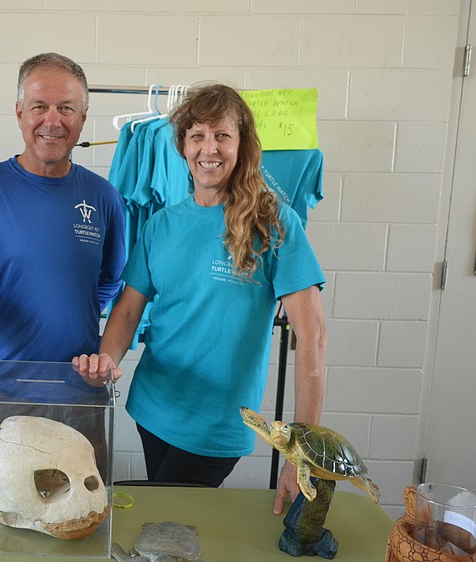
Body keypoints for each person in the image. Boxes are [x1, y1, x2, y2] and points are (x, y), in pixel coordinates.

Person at [73, 84, 327, 516]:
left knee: (170, 520)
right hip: (153, 407)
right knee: (168, 525)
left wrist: (303, 451)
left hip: (217, 424)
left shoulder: (273, 221)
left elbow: (313, 338)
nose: (210, 148)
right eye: (198, 136)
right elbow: (129, 309)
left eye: (223, 135)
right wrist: (105, 362)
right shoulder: (161, 224)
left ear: (242, 144)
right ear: (183, 146)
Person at [0, 52, 126, 419]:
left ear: (83, 117)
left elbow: (109, 282)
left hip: (78, 398)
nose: (52, 121)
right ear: (19, 112)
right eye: (39, 107)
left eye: (66, 108)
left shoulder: (105, 198)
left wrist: (65, 322)